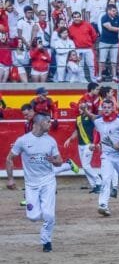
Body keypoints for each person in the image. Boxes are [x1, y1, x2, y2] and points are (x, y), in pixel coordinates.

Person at [6, 113, 62, 252]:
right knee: (33, 217)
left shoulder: (51, 141)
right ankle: (32, 201)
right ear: (40, 123)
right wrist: (10, 178)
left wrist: (54, 161)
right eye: (48, 122)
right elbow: (9, 158)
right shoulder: (23, 141)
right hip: (31, 184)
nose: (50, 124)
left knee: (49, 215)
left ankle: (46, 241)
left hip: (48, 181)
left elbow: (59, 161)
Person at [91, 99, 119, 216]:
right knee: (105, 179)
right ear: (102, 108)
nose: (106, 110)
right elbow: (98, 134)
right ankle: (103, 205)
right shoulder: (98, 122)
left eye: (109, 107)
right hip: (106, 155)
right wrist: (95, 144)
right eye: (104, 107)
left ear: (113, 108)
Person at [63, 103, 102, 193]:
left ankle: (99, 182)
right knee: (85, 167)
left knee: (86, 165)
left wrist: (97, 143)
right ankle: (94, 186)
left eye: (83, 108)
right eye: (80, 108)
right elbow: (77, 131)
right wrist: (70, 139)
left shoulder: (91, 117)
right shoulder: (78, 118)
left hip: (89, 144)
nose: (80, 109)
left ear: (87, 109)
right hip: (80, 145)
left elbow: (97, 124)